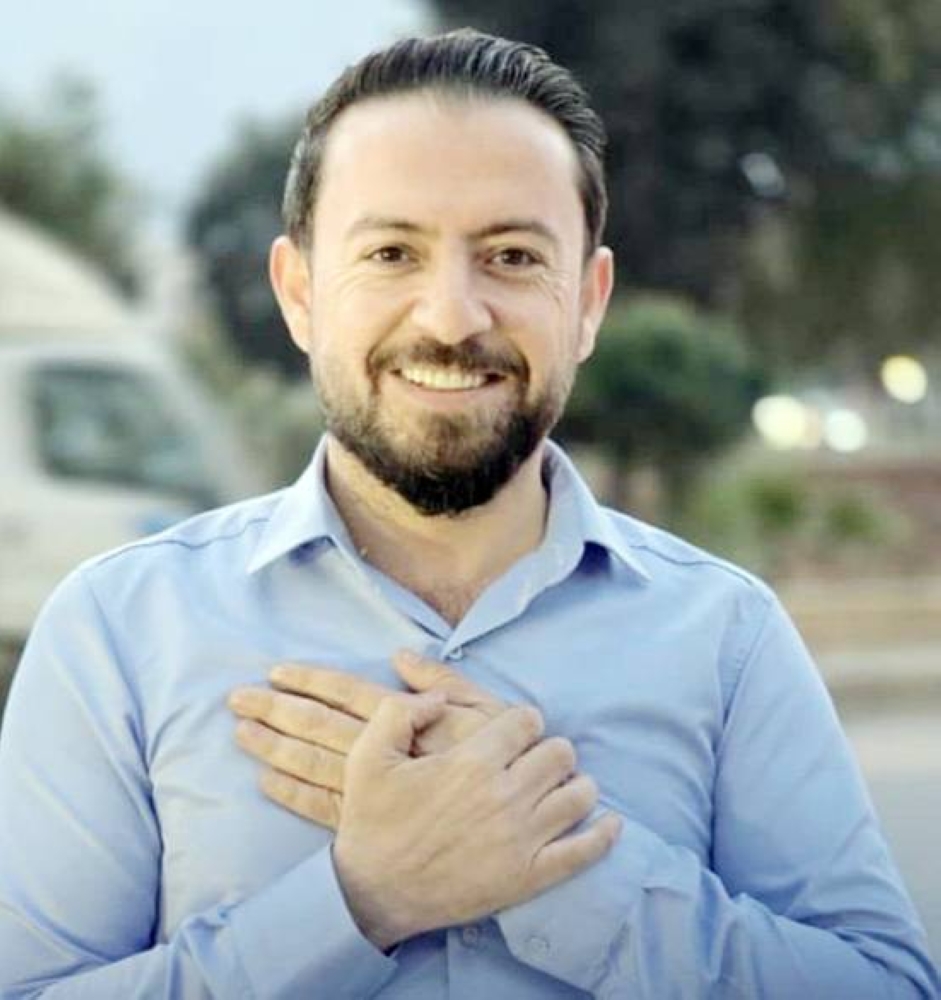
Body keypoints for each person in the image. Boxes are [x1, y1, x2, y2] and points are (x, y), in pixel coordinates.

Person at [0, 28, 936, 1000]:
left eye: (512, 256)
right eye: (391, 252)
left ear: (587, 301)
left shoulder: (726, 638)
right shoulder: (119, 630)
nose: (450, 317)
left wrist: (565, 868)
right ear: (299, 292)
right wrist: (360, 899)